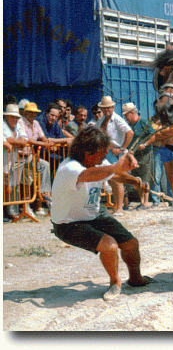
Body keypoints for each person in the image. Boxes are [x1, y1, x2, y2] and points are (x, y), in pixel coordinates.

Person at [51, 126, 152, 301]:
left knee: (131, 243)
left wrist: (135, 181)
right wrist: (116, 166)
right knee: (110, 245)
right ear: (87, 154)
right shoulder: (70, 168)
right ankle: (115, 282)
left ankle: (136, 279)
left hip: (94, 215)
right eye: (101, 152)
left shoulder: (98, 163)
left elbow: (113, 175)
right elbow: (91, 175)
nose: (105, 154)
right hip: (68, 224)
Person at [95, 96, 134, 216]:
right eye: (105, 108)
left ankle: (119, 208)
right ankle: (117, 206)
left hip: (116, 152)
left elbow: (130, 132)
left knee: (118, 179)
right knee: (112, 180)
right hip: (106, 152)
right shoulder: (101, 121)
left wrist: (122, 148)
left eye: (109, 108)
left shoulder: (117, 119)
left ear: (113, 107)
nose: (107, 110)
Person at [138, 122, 173, 211]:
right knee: (170, 177)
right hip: (164, 148)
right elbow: (156, 135)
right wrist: (147, 143)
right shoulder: (164, 121)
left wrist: (161, 133)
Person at [19, 102, 54, 215]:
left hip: (30, 155)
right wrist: (44, 144)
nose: (33, 115)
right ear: (25, 112)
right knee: (27, 178)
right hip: (19, 156)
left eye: (35, 113)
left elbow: (43, 137)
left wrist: (48, 143)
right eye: (30, 112)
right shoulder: (20, 122)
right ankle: (26, 205)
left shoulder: (36, 123)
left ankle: (45, 197)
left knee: (45, 165)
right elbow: (27, 140)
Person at [122, 102, 155, 210]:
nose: (125, 117)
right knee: (137, 179)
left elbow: (154, 135)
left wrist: (145, 144)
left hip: (144, 154)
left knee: (145, 178)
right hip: (133, 156)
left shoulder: (143, 122)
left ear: (132, 113)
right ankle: (141, 201)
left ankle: (145, 202)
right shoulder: (129, 125)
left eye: (126, 115)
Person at [3, 104, 30, 219]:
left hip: (10, 160)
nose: (14, 119)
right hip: (4, 160)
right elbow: (8, 139)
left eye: (16, 117)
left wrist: (15, 142)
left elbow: (25, 140)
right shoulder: (2, 125)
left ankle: (9, 212)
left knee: (9, 187)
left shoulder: (18, 125)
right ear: (6, 116)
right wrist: (15, 142)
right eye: (12, 117)